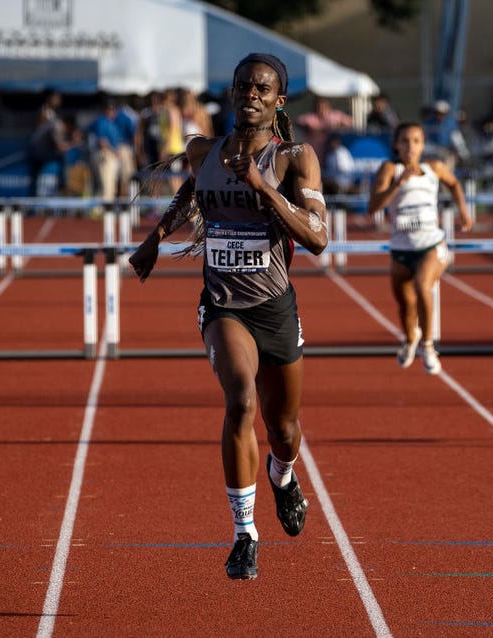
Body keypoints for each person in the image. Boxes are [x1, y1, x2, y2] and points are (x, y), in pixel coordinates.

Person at [129, 53, 328, 579]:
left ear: (278, 100)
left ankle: (283, 477)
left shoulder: (293, 158)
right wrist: (154, 239)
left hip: (275, 307)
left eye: (262, 88)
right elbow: (193, 191)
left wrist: (264, 191)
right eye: (243, 86)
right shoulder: (204, 150)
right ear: (233, 93)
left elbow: (318, 239)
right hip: (222, 306)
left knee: (283, 427)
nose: (251, 95)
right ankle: (245, 534)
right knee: (240, 399)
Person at [367, 121, 472, 374]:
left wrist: (464, 213)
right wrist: (398, 184)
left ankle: (428, 345)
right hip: (401, 250)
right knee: (405, 306)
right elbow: (373, 207)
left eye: (416, 140)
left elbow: (455, 184)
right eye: (405, 141)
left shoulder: (433, 168)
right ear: (396, 144)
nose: (410, 146)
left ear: (423, 144)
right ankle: (410, 338)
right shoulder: (390, 169)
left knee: (422, 286)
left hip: (431, 245)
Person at [296, 95, 353, 165]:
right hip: (315, 156)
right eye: (319, 107)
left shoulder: (335, 116)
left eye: (324, 106)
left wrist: (339, 126)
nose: (322, 109)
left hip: (331, 156)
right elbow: (299, 122)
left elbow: (350, 122)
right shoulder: (311, 118)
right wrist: (318, 129)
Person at [422, 99, 470, 170]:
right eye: (437, 113)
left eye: (442, 113)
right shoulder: (428, 123)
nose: (439, 115)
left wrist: (463, 153)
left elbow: (458, 140)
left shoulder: (451, 124)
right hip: (431, 151)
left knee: (449, 164)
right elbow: (424, 138)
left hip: (446, 151)